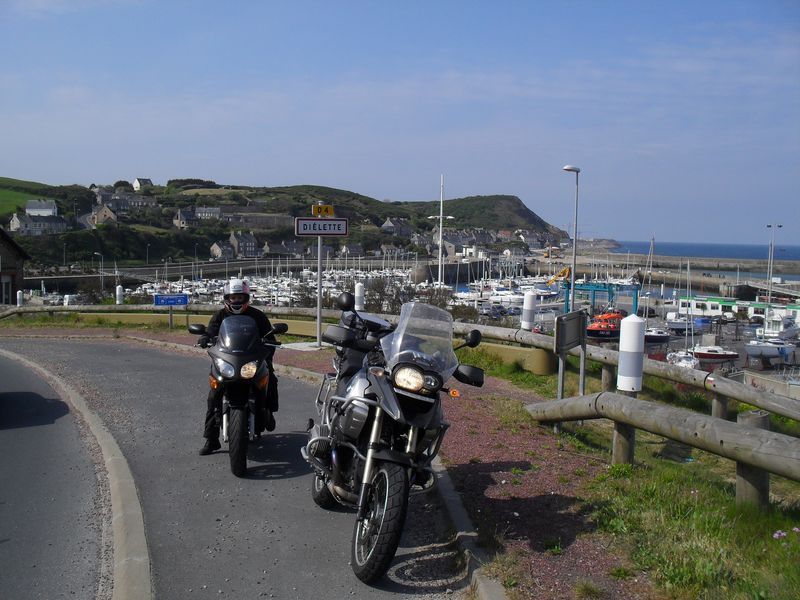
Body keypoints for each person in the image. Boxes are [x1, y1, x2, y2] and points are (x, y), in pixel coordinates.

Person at [198, 278, 279, 456]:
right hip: (227, 361)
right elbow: (211, 332)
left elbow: (270, 337)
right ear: (226, 297)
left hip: (252, 360)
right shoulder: (219, 315)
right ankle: (211, 439)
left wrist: (269, 348)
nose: (236, 301)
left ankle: (268, 411)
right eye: (232, 297)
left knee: (270, 378)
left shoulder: (257, 315)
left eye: (240, 297)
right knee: (214, 396)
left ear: (246, 298)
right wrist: (205, 338)